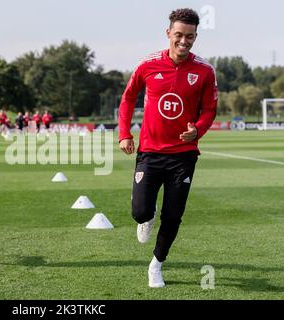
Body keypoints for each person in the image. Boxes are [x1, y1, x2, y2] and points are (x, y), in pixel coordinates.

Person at [118, 8, 217, 288]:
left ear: (196, 36)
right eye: (179, 35)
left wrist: (197, 128)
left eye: (190, 36)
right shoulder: (147, 65)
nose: (184, 41)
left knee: (173, 214)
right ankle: (146, 218)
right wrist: (124, 134)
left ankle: (156, 265)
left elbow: (210, 108)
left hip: (183, 156)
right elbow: (127, 100)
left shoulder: (204, 71)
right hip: (149, 152)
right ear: (168, 34)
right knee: (140, 211)